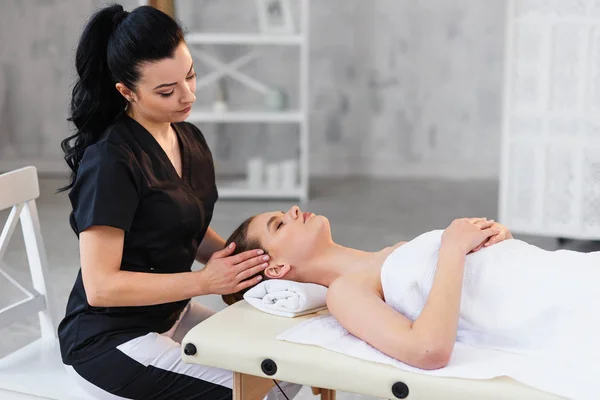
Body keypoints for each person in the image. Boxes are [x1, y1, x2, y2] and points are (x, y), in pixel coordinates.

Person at [56, 4, 301, 400]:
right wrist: (206, 282)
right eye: (167, 91)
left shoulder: (188, 140)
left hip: (171, 313)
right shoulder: (111, 161)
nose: (187, 96)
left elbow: (184, 223)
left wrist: (247, 264)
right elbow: (100, 288)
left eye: (190, 76)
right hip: (111, 341)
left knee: (287, 370)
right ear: (126, 91)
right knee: (264, 394)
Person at [222, 205, 600, 371]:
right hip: (565, 304)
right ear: (276, 267)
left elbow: (478, 283)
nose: (291, 211)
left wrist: (496, 238)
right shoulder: (345, 292)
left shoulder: (387, 254)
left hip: (559, 273)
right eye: (278, 225)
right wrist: (454, 246)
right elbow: (428, 350)